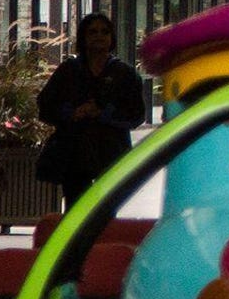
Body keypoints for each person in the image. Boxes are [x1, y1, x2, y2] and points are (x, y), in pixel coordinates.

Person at [35, 12, 146, 209]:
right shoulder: (69, 70)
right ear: (83, 37)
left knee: (107, 209)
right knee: (76, 208)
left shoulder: (124, 73)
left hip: (111, 153)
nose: (99, 36)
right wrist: (71, 113)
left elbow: (136, 114)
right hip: (74, 154)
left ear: (112, 37)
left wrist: (104, 114)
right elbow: (45, 105)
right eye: (92, 32)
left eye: (104, 32)